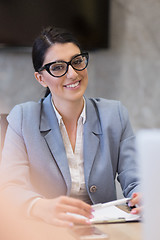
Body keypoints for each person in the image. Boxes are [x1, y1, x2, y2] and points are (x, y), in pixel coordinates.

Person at [0, 26, 140, 227]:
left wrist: (144, 196)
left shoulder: (114, 114)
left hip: (105, 229)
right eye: (57, 67)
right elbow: (9, 187)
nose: (73, 74)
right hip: (47, 229)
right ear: (41, 78)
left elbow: (136, 179)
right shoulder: (23, 118)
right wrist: (39, 206)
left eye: (77, 61)